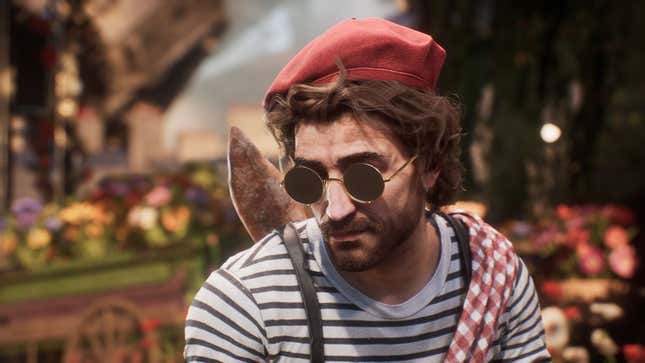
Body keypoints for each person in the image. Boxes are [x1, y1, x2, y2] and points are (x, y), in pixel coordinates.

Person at [184, 18, 550, 362]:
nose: (335, 210)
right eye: (310, 179)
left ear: (429, 165)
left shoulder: (492, 277)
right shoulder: (245, 303)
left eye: (364, 178)